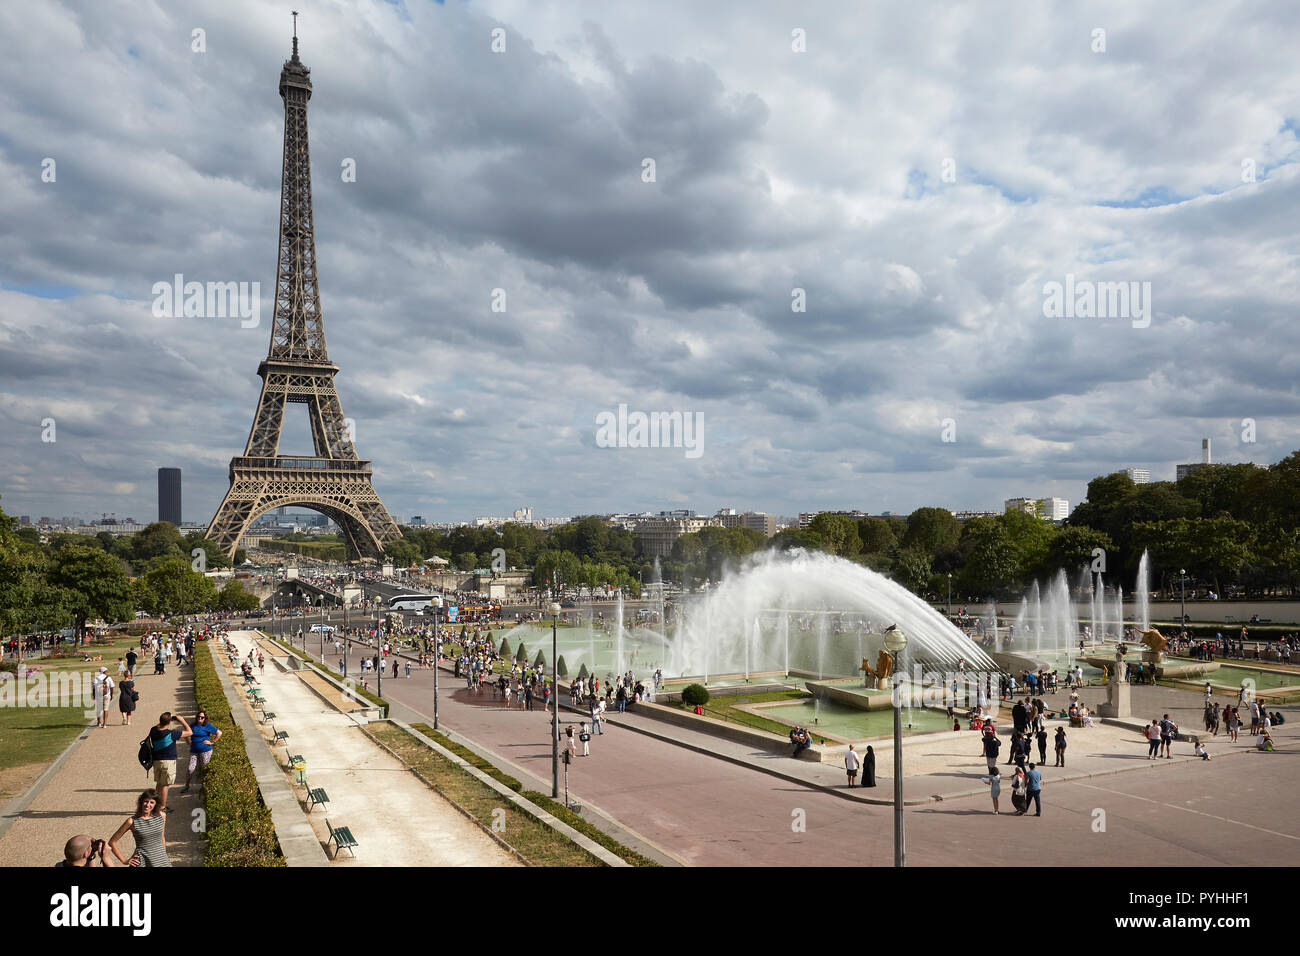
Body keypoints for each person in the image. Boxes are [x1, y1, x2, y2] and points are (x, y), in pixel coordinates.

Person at [109, 790, 171, 867]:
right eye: (146, 801)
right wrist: (124, 861)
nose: (148, 805)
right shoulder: (131, 821)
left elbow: (161, 837)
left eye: (151, 802)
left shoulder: (162, 816)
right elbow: (112, 842)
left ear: (156, 804)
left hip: (161, 860)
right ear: (141, 802)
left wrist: (163, 855)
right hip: (142, 861)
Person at [147, 712, 192, 812]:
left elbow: (159, 725)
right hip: (168, 763)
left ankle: (155, 804)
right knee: (165, 785)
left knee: (159, 784)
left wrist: (166, 719)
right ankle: (162, 807)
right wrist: (182, 720)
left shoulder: (153, 730)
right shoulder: (172, 734)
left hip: (156, 761)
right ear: (169, 722)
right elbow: (190, 732)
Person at [182, 710, 221, 793]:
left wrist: (212, 742)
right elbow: (186, 732)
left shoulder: (207, 726)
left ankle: (204, 787)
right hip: (194, 751)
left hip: (205, 751)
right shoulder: (192, 725)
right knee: (190, 769)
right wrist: (187, 741)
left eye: (202, 717)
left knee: (204, 769)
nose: (200, 718)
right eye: (198, 716)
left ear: (205, 718)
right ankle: (186, 786)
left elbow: (219, 733)